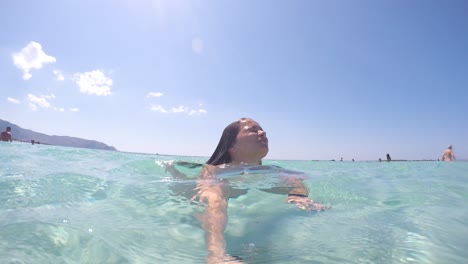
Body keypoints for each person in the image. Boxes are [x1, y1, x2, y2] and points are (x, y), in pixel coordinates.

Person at [193, 118, 325, 263]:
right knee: (217, 195)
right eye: (252, 130)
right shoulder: (213, 171)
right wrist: (216, 254)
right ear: (232, 147)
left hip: (248, 183)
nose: (263, 132)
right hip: (217, 191)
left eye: (261, 129)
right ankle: (216, 255)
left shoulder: (270, 171)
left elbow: (296, 182)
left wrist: (298, 196)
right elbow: (214, 203)